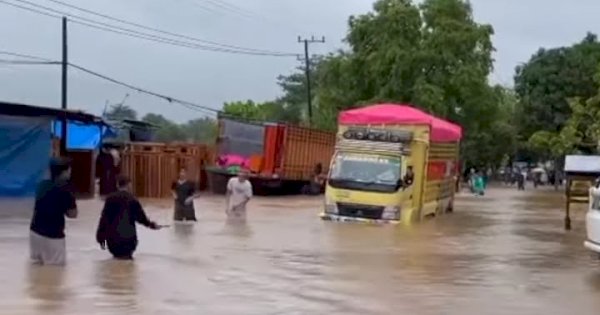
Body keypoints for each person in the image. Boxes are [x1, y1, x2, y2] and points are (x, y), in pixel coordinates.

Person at [96, 176, 163, 260]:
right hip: (129, 240)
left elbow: (104, 219)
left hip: (113, 240)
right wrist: (152, 225)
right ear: (129, 185)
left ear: (117, 185)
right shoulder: (132, 199)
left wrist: (100, 237)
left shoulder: (110, 199)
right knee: (128, 264)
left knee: (115, 262)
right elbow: (141, 218)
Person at [29, 158, 78, 266]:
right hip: (53, 236)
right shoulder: (66, 189)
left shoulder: (42, 185)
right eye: (69, 170)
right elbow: (73, 214)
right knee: (56, 271)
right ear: (64, 172)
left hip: (35, 232)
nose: (70, 172)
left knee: (36, 267)